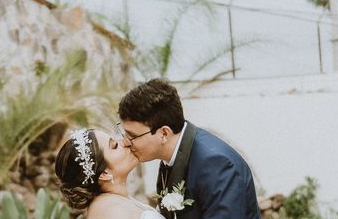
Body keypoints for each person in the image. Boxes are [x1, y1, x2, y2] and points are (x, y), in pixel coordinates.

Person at [118, 78, 261, 219]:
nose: (125, 142)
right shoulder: (171, 155)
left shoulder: (216, 164)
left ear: (164, 133)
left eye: (132, 135)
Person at [55, 128, 164, 219]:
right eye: (115, 145)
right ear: (104, 173)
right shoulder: (114, 211)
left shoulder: (108, 203)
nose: (125, 142)